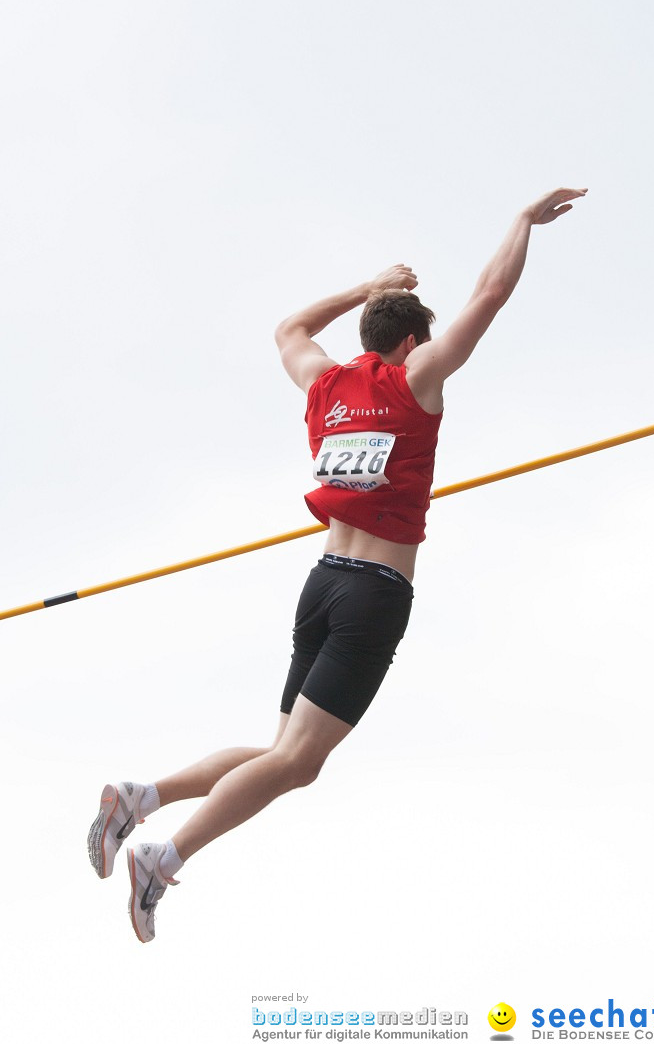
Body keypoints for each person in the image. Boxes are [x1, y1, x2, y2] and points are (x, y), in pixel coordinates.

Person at [87, 187, 587, 942]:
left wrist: (369, 286)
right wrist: (521, 222)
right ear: (415, 342)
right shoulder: (416, 380)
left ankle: (139, 796)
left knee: (285, 754)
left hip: (322, 587)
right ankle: (164, 855)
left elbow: (290, 327)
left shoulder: (325, 384)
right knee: (295, 762)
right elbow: (491, 293)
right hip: (375, 594)